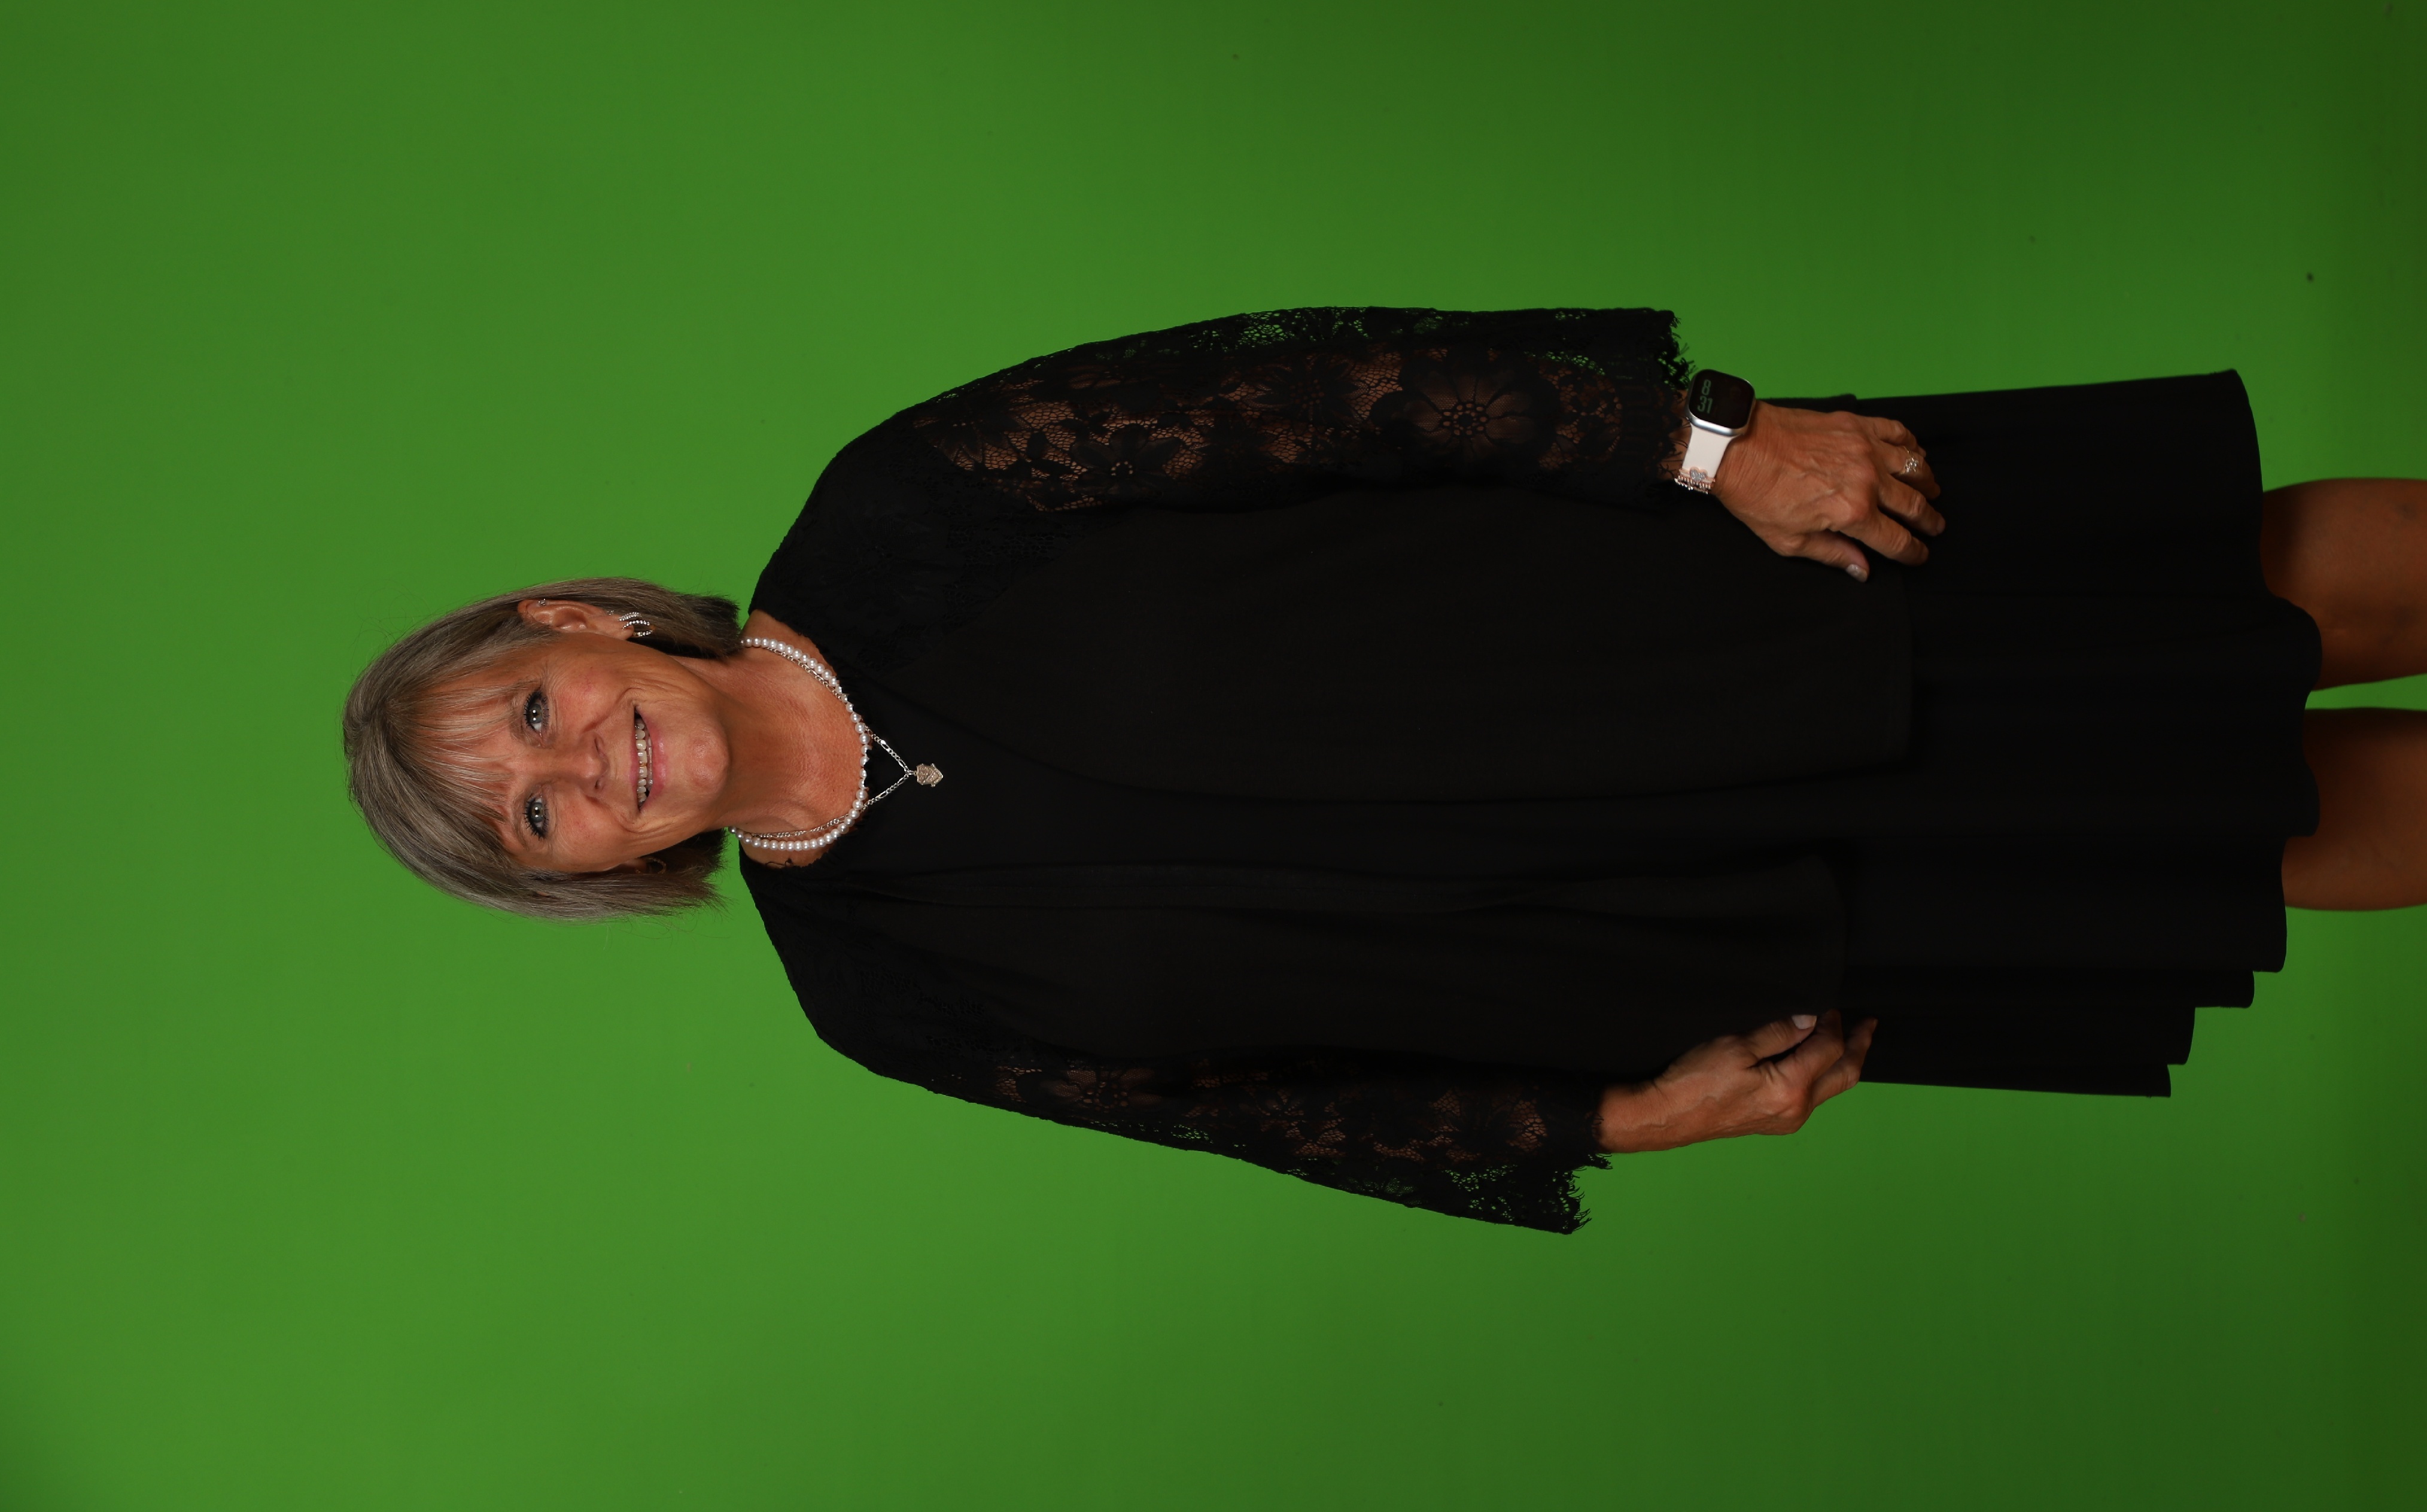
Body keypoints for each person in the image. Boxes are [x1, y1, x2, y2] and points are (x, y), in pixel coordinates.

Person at [341, 306, 2426, 1231]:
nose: (582, 767)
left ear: (577, 619)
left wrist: (1710, 443)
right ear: (580, 877)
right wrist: (1618, 1119)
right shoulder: (879, 997)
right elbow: (1262, 1114)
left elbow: (1337, 397)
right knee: (2245, 843)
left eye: (529, 711)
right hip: (1679, 930)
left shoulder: (906, 507)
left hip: (1709, 599)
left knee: (2230, 584)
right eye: (535, 819)